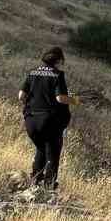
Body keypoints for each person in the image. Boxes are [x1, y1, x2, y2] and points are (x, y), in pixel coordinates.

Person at [18, 47, 72, 189]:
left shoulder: (32, 72)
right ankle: (49, 187)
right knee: (53, 154)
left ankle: (35, 181)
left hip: (31, 120)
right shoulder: (57, 75)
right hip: (49, 121)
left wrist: (32, 105)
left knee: (41, 149)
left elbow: (21, 96)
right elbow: (60, 98)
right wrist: (75, 100)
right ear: (59, 60)